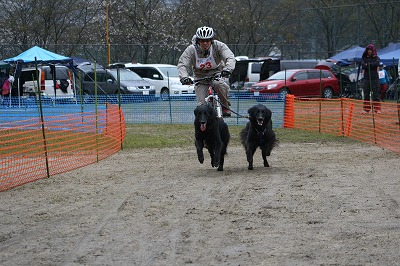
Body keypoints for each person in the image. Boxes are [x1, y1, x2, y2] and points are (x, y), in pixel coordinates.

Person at [178, 26, 236, 117]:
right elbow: (183, 64)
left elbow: (230, 57)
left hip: (216, 73)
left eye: (207, 40)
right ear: (198, 41)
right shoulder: (191, 50)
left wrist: (228, 69)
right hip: (199, 76)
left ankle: (225, 106)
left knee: (219, 84)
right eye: (202, 40)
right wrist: (184, 77)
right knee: (202, 105)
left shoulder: (219, 46)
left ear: (211, 41)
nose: (205, 43)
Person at [361, 44, 381, 113]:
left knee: (376, 94)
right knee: (366, 93)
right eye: (368, 50)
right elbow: (363, 66)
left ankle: (377, 109)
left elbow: (376, 64)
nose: (369, 52)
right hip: (366, 78)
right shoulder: (364, 58)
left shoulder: (376, 58)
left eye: (370, 50)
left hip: (374, 78)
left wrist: (368, 65)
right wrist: (369, 65)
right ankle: (366, 109)